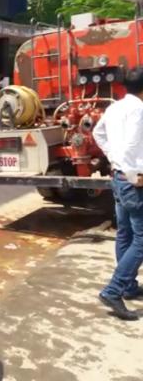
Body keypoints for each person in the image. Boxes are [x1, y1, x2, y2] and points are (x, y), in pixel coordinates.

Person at [92, 68, 143, 320]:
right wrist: (134, 173)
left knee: (125, 233)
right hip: (133, 181)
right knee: (141, 239)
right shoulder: (139, 109)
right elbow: (134, 145)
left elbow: (98, 134)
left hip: (118, 178)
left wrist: (113, 159)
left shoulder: (114, 108)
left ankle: (129, 286)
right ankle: (115, 289)